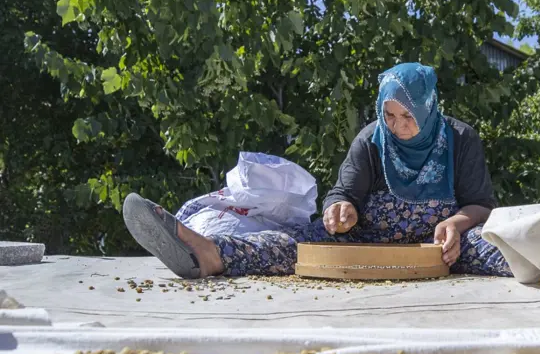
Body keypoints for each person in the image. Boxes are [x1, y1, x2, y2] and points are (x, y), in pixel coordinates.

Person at [122, 62, 512, 279]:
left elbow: (481, 205)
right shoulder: (371, 141)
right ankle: (206, 254)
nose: (397, 126)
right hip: (364, 244)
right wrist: (341, 211)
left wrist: (457, 225)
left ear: (428, 108)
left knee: (504, 248)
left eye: (407, 116)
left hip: (441, 250)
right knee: (293, 246)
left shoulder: (460, 139)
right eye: (388, 115)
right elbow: (343, 194)